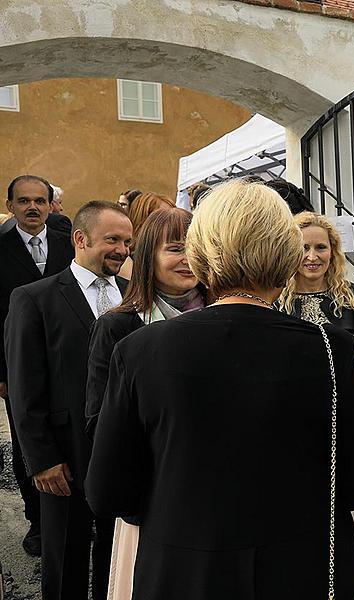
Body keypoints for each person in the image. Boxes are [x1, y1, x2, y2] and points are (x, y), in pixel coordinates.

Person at [84, 179, 354, 600]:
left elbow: (107, 491)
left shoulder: (140, 350)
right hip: (303, 568)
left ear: (202, 255)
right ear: (285, 255)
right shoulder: (331, 349)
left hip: (185, 570)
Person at [5, 201, 131, 600]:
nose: (122, 250)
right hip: (65, 453)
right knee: (65, 556)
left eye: (127, 242)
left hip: (123, 451)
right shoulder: (34, 298)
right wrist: (41, 458)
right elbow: (24, 385)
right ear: (80, 238)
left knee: (117, 557)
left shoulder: (134, 296)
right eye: (112, 239)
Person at [84, 207, 203, 600]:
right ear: (148, 255)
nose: (188, 259)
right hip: (152, 498)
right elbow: (99, 421)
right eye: (175, 249)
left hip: (215, 495)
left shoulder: (227, 319)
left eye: (197, 248)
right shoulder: (118, 327)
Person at [0, 174, 76, 557]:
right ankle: (39, 522)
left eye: (39, 201)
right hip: (18, 366)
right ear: (10, 204)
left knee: (70, 437)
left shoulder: (69, 245)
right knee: (28, 441)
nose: (32, 207)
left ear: (50, 205)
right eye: (24, 201)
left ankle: (76, 514)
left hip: (69, 361)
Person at [278, 212, 354, 381]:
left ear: (332, 252)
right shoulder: (277, 300)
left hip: (346, 401)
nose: (312, 257)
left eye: (320, 247)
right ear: (291, 251)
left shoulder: (349, 296)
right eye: (304, 248)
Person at [118, 192, 175, 280]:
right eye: (162, 218)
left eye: (173, 217)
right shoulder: (126, 262)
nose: (172, 224)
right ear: (143, 221)